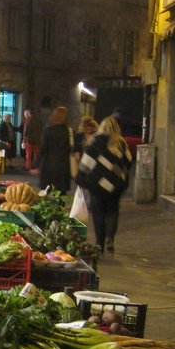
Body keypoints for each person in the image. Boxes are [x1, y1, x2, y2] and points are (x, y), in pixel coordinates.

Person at [76, 114, 133, 254]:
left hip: (97, 186)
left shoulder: (95, 143)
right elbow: (129, 161)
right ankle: (110, 238)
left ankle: (99, 242)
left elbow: (85, 164)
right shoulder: (121, 144)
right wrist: (119, 174)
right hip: (115, 186)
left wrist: (80, 179)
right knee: (113, 212)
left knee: (98, 213)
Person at [31, 105, 74, 193]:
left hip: (49, 166)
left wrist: (35, 165)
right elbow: (72, 149)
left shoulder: (48, 131)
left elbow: (42, 149)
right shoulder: (69, 132)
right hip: (63, 167)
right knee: (61, 194)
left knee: (47, 192)